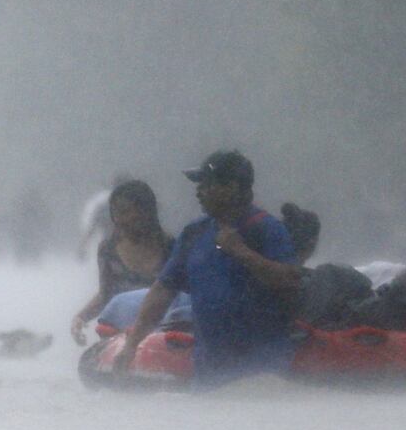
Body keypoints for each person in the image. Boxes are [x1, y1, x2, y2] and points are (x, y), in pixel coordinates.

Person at [116, 151, 301, 387]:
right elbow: (163, 290)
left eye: (206, 184)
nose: (198, 191)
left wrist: (242, 253)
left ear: (232, 187)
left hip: (264, 376)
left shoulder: (267, 230)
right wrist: (132, 344)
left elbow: (291, 282)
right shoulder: (194, 233)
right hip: (208, 378)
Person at [70, 180, 174, 343]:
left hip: (162, 334)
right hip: (120, 333)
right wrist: (80, 318)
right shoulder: (108, 250)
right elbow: (106, 295)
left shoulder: (171, 247)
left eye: (125, 212)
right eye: (115, 212)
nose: (119, 219)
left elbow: (181, 295)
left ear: (146, 212)